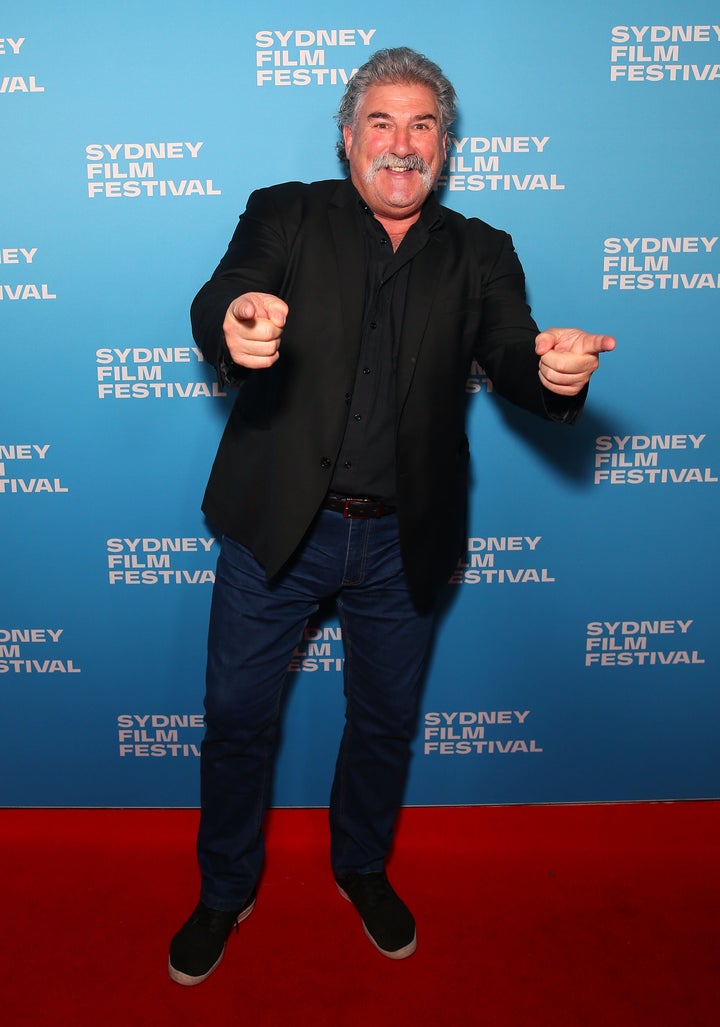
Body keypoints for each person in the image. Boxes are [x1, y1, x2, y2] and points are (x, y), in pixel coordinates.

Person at [168, 46, 615, 986]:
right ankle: (223, 887)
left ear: (445, 147)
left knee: (383, 720)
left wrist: (553, 370)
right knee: (238, 717)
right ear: (348, 138)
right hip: (277, 525)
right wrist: (236, 318)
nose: (401, 144)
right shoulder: (284, 212)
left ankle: (361, 866)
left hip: (403, 536)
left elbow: (512, 348)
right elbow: (224, 293)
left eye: (422, 126)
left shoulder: (482, 250)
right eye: (381, 122)